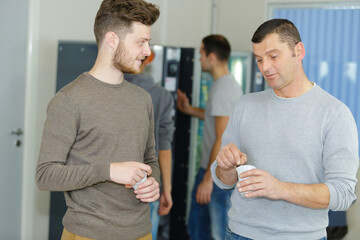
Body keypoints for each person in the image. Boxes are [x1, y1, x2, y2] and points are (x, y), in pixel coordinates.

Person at [211, 18, 359, 240]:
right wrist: (226, 166)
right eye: (259, 59)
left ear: (298, 51)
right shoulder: (245, 105)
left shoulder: (335, 113)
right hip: (239, 233)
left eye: (273, 56)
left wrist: (280, 189)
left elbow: (344, 194)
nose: (265, 67)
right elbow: (223, 180)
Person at [36, 1, 161, 240]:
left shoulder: (142, 99)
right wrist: (109, 171)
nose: (147, 52)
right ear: (112, 40)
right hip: (88, 233)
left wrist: (153, 182)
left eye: (148, 43)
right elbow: (45, 175)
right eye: (141, 42)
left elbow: (150, 161)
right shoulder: (69, 100)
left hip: (141, 232)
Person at [177, 34, 243, 240]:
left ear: (211, 57)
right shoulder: (222, 85)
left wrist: (208, 180)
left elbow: (222, 137)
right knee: (199, 228)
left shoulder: (224, 89)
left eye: (201, 54)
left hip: (216, 173)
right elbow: (214, 117)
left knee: (215, 232)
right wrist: (188, 109)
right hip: (213, 171)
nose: (199, 59)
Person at [126, 51, 175, 240]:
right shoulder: (162, 96)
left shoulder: (109, 88)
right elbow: (164, 149)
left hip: (110, 186)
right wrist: (166, 190)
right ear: (149, 59)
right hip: (147, 185)